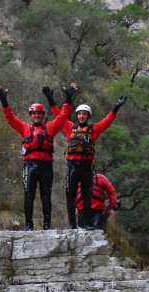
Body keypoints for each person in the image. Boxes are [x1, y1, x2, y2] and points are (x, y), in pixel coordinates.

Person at [0, 84, 76, 230]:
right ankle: (28, 226)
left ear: (43, 115)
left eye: (39, 113)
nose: (36, 115)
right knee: (28, 197)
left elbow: (63, 116)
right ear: (30, 115)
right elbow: (11, 117)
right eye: (33, 113)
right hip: (30, 166)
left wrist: (68, 99)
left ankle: (46, 226)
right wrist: (4, 102)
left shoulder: (50, 128)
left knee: (46, 198)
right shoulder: (25, 128)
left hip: (46, 166)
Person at [43, 85, 125, 229]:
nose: (81, 116)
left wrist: (116, 108)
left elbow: (107, 122)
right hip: (72, 166)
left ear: (88, 116)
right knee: (70, 195)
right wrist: (50, 98)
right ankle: (72, 225)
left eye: (84, 114)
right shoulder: (69, 127)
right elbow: (58, 114)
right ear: (77, 115)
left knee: (87, 195)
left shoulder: (93, 130)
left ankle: (86, 224)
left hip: (87, 166)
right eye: (79, 114)